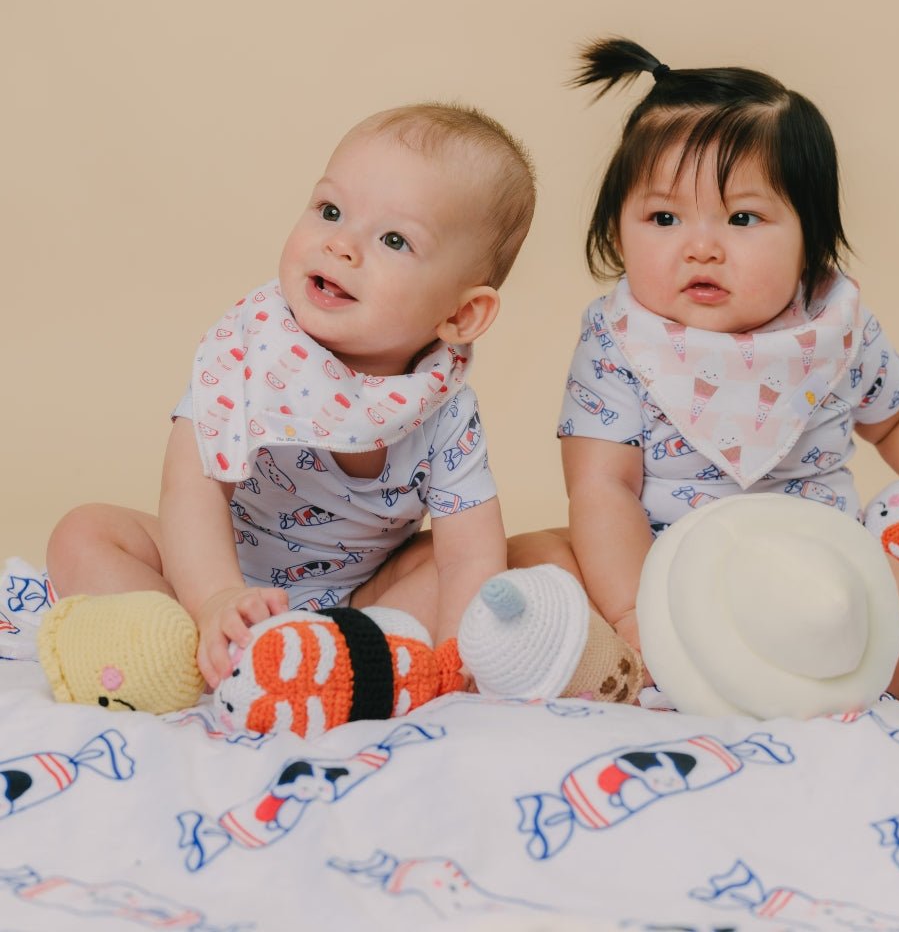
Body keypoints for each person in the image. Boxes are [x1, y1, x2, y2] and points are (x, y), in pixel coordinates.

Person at [521, 37, 899, 729]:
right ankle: (596, 663)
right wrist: (634, 610)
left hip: (816, 575)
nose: (701, 246)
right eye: (663, 218)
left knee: (897, 590)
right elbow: (603, 487)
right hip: (662, 566)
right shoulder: (622, 340)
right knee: (545, 555)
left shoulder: (831, 332)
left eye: (743, 218)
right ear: (617, 228)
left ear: (811, 237)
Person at [47, 103, 536, 688]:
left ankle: (332, 658)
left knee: (473, 565)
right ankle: (193, 642)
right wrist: (215, 597)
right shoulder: (252, 348)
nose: (342, 245)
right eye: (331, 211)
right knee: (84, 534)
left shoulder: (445, 408)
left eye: (394, 239)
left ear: (461, 313)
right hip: (216, 567)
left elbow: (467, 555)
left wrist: (455, 667)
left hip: (356, 597)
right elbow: (193, 487)